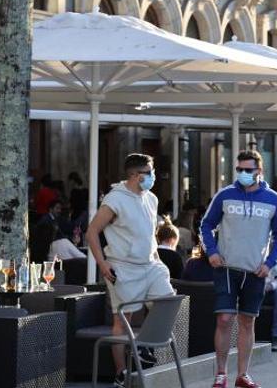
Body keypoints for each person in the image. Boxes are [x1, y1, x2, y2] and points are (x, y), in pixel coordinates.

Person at [200, 150, 277, 388]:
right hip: (227, 267)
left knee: (247, 321)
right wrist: (212, 251)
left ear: (259, 171)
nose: (242, 174)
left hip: (255, 271)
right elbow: (206, 225)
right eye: (239, 169)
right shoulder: (225, 194)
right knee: (225, 318)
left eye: (247, 170)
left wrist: (270, 263)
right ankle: (221, 374)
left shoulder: (273, 199)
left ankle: (243, 374)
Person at [85, 153, 174, 387]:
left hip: (151, 265)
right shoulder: (115, 199)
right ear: (135, 175)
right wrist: (102, 264)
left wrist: (157, 259)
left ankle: (144, 347)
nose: (153, 176)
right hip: (123, 267)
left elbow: (149, 234)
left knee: (167, 302)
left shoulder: (151, 198)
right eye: (149, 172)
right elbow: (92, 232)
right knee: (123, 320)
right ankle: (121, 372)